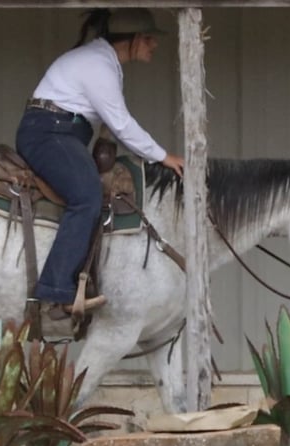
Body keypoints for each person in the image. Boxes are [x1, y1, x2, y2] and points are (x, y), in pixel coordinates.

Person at [16, 8, 184, 319]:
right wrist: (163, 156)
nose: (154, 45)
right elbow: (121, 125)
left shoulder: (103, 62)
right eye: (149, 38)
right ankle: (55, 291)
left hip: (59, 131)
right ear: (133, 39)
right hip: (50, 133)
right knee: (87, 196)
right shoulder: (98, 65)